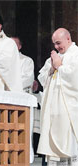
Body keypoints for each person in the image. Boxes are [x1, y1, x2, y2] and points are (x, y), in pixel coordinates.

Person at [37, 28, 78, 165]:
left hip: (68, 110)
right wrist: (52, 68)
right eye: (54, 44)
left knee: (69, 145)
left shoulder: (76, 54)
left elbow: (74, 78)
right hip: (52, 109)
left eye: (58, 43)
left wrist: (60, 67)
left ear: (68, 38)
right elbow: (41, 77)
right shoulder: (54, 57)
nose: (56, 47)